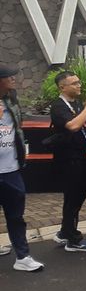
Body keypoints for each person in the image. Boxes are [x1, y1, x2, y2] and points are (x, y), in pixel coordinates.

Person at [49, 69, 86, 252]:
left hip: (81, 155)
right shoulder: (58, 106)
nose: (79, 85)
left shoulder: (78, 103)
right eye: (74, 83)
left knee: (79, 194)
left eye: (79, 82)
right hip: (67, 158)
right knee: (73, 196)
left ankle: (66, 231)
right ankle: (73, 239)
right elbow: (73, 126)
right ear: (62, 87)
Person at [0, 65, 43, 272]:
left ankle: (23, 256)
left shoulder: (11, 100)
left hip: (11, 169)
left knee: (16, 215)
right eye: (9, 76)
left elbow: (18, 129)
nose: (14, 79)